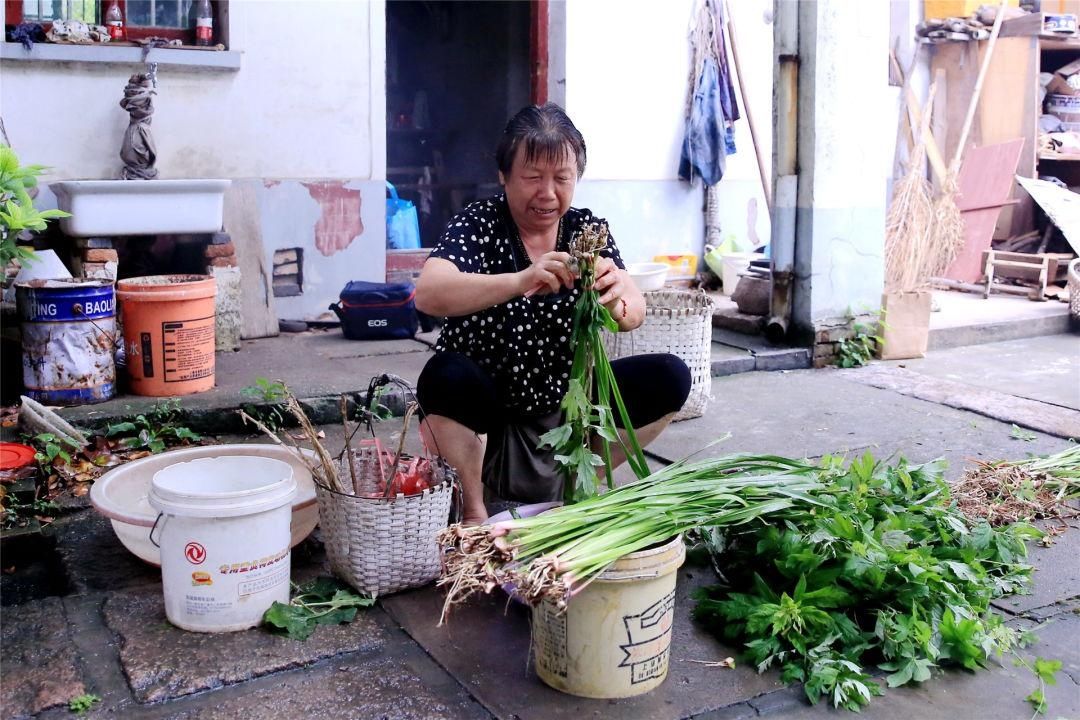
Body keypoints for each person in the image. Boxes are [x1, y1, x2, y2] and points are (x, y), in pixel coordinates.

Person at [414, 103, 691, 525]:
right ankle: (473, 508)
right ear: (504, 176)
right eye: (532, 177)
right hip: (490, 421)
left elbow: (631, 312)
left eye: (562, 178)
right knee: (445, 375)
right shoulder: (480, 224)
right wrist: (520, 280)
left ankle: (578, 486)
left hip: (569, 416)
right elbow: (428, 294)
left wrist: (616, 294)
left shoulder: (586, 233)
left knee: (669, 376)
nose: (547, 193)